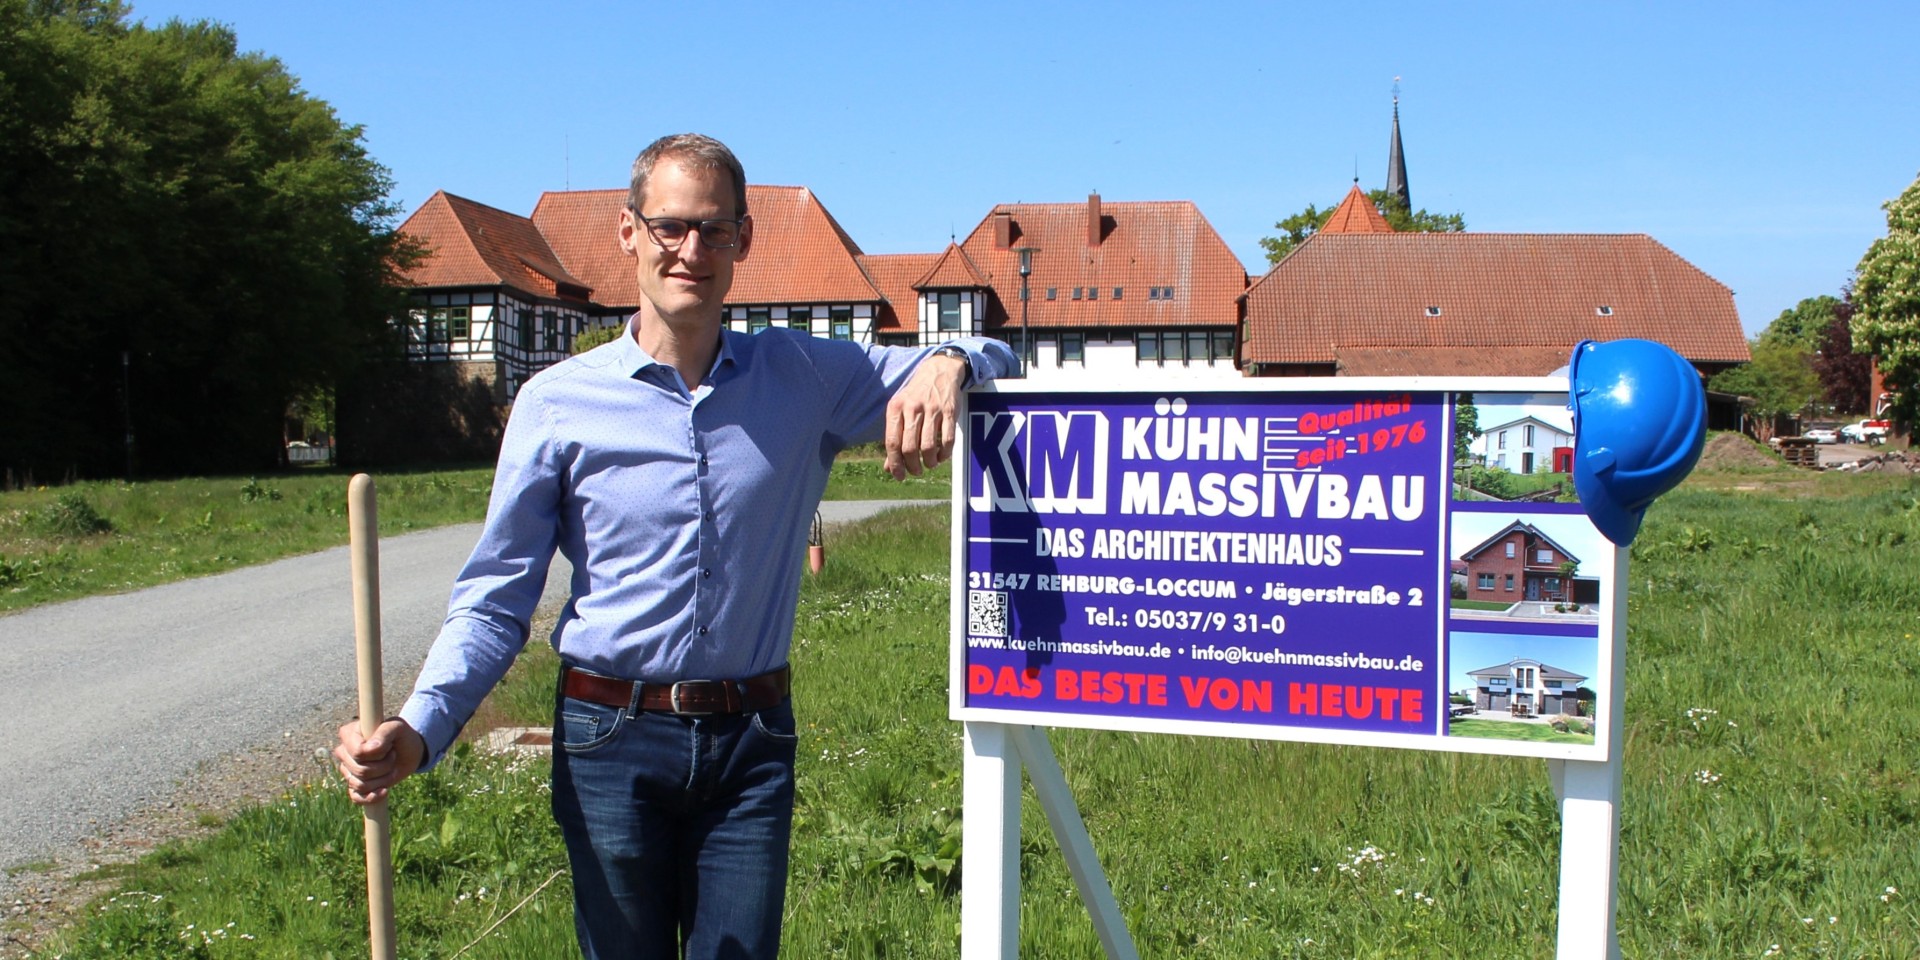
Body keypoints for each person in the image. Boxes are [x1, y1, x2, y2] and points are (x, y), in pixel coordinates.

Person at [334, 133, 1016, 958]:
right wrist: (419, 726)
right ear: (629, 232)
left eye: (714, 230)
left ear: (743, 240)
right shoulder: (556, 403)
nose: (691, 250)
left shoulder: (803, 376)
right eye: (669, 227)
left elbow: (996, 355)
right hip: (608, 740)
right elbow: (497, 598)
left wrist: (944, 361)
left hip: (752, 743)